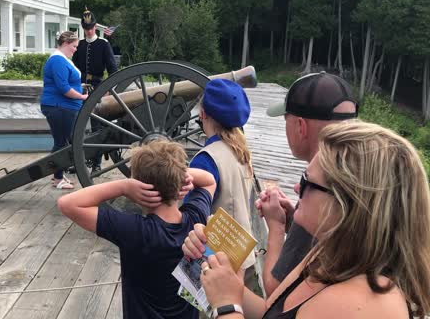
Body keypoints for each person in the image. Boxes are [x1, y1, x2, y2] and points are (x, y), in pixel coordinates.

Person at [182, 120, 430, 319]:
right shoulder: (326, 254)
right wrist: (219, 272)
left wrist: (226, 308)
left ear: (346, 204)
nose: (296, 188)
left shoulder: (364, 304)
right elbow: (270, 311)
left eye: (306, 181)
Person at [57, 140, 216, 319]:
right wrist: (180, 175)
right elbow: (209, 181)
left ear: (138, 187)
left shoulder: (135, 231)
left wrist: (123, 187)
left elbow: (67, 204)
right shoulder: (196, 219)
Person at [259, 72, 357, 296]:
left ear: (300, 127)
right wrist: (296, 217)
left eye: (287, 119)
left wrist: (275, 225)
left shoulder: (321, 190)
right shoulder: (357, 177)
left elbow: (276, 288)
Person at [188, 78, 256, 273]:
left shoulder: (207, 159)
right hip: (242, 253)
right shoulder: (242, 151)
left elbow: (193, 211)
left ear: (203, 114)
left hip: (217, 259)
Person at [72, 7, 118, 173]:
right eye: (86, 28)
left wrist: (107, 89)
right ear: (83, 28)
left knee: (97, 127)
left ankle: (96, 164)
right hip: (80, 88)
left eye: (91, 27)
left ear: (95, 26)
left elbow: (113, 70)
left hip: (98, 88)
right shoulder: (80, 45)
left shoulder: (104, 45)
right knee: (77, 125)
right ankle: (76, 161)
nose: (89, 31)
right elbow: (74, 68)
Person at [40, 31, 88, 190]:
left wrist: (80, 87)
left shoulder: (62, 59)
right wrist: (82, 97)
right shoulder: (57, 61)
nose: (75, 49)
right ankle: (58, 178)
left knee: (63, 142)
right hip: (58, 107)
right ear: (66, 43)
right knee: (61, 143)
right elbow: (63, 88)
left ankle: (58, 177)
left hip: (63, 107)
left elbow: (67, 83)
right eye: (74, 46)